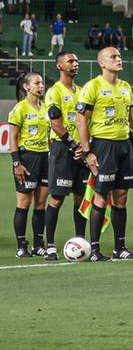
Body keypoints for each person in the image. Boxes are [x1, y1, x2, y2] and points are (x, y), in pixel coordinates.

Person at [75, 47, 133, 261]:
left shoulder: (126, 87)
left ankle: (120, 248)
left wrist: (132, 142)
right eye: (113, 57)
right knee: (101, 196)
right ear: (102, 63)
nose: (119, 59)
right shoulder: (92, 87)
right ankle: (94, 249)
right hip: (103, 146)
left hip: (123, 146)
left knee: (122, 197)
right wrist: (87, 152)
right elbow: (81, 120)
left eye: (120, 56)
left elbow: (130, 116)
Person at [43, 52, 88, 261]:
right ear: (59, 66)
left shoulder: (82, 91)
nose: (75, 64)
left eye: (76, 61)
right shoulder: (54, 92)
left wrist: (85, 147)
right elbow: (55, 123)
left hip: (82, 150)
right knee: (57, 198)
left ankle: (81, 241)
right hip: (63, 149)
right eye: (70, 61)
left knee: (81, 198)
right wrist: (73, 145)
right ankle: (50, 245)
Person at [10, 71, 50, 258]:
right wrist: (17, 163)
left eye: (41, 83)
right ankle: (21, 246)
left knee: (40, 203)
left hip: (44, 158)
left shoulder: (45, 108)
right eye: (36, 83)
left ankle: (38, 244)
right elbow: (13, 138)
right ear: (26, 87)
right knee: (24, 203)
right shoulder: (20, 108)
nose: (41, 86)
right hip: (27, 159)